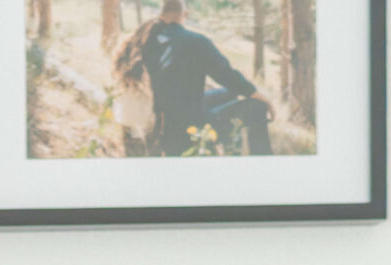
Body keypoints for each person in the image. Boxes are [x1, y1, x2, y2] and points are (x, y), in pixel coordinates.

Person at [116, 0, 274, 155]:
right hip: (190, 131)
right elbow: (228, 76)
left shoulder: (145, 40)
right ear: (185, 14)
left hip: (162, 123)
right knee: (257, 107)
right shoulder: (196, 42)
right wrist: (261, 97)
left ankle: (231, 152)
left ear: (161, 14)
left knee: (228, 93)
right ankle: (262, 166)